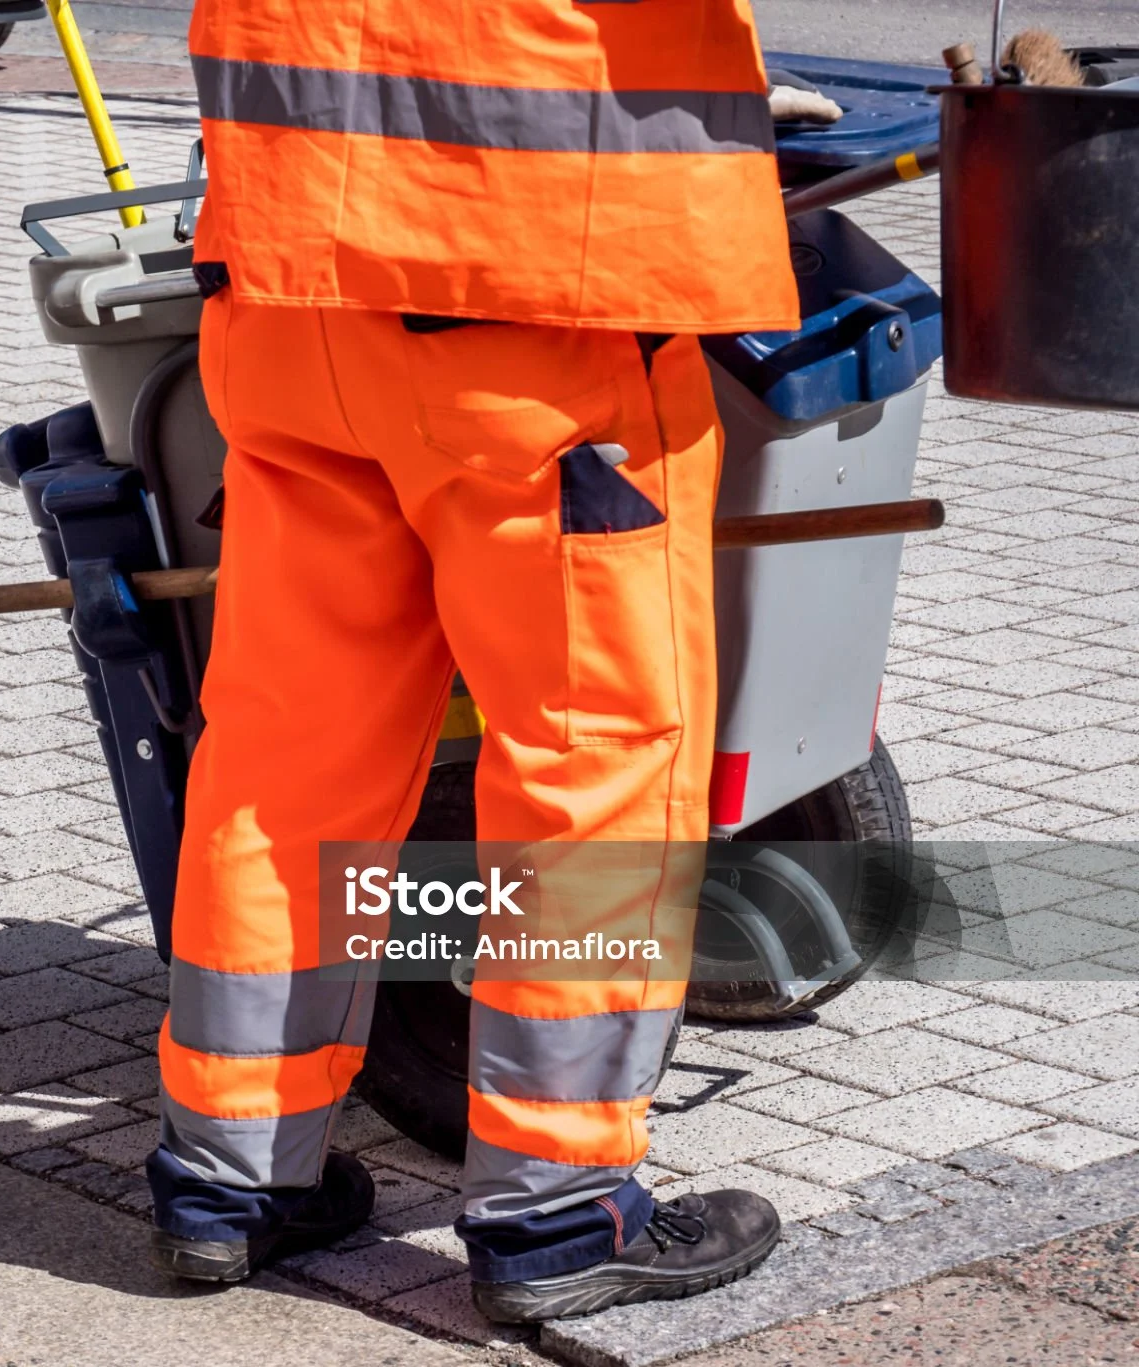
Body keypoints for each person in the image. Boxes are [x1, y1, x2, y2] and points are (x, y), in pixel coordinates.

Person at [144, 0, 800, 1323]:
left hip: (291, 304)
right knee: (591, 762)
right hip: (535, 310)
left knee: (285, 756)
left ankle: (233, 1175)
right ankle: (558, 1206)